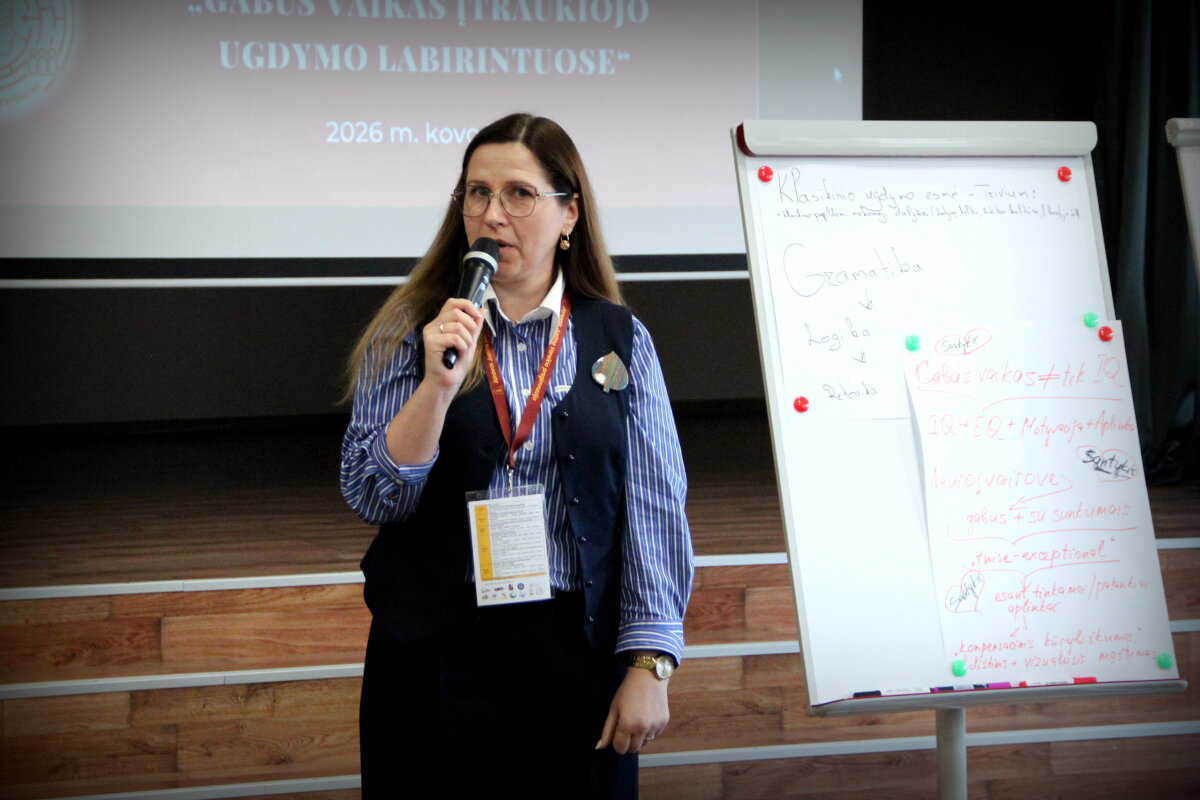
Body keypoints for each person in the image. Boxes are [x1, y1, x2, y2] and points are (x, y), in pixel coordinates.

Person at [339, 112, 693, 798]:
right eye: (477, 193)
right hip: (433, 652)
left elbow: (655, 507)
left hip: (573, 650)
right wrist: (437, 388)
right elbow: (373, 495)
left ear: (569, 215)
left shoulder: (619, 338)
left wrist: (650, 664)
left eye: (519, 194)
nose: (492, 214)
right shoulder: (411, 330)